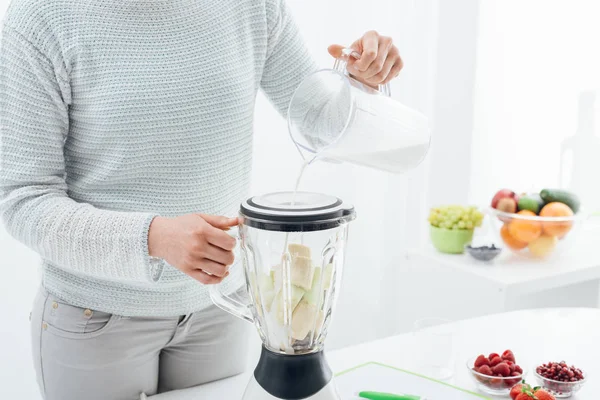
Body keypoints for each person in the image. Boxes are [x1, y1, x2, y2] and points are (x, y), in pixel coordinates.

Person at [0, 0, 403, 399]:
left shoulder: (252, 6)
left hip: (221, 309)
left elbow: (322, 124)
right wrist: (154, 237)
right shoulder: (41, 16)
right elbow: (23, 198)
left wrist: (362, 81)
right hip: (96, 320)